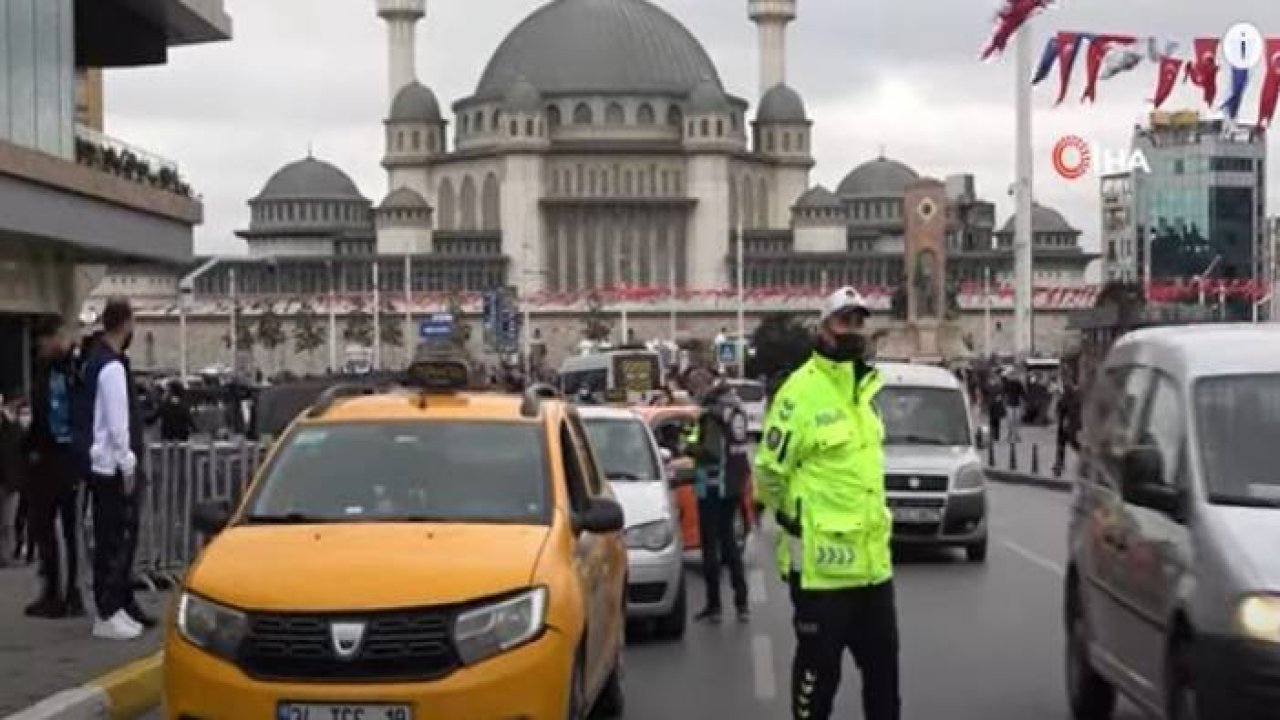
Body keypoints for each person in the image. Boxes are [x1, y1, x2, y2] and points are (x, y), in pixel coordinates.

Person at [754, 286, 900, 720]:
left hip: (874, 572)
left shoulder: (867, 394)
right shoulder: (799, 394)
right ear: (824, 329)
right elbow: (769, 473)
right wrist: (793, 521)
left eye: (859, 322)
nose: (853, 330)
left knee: (885, 686)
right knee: (819, 684)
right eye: (843, 322)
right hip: (822, 575)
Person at [77, 298, 150, 640]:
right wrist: (128, 463)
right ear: (127, 323)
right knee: (115, 538)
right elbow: (117, 423)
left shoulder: (97, 361)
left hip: (101, 465)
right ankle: (107, 610)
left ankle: (114, 607)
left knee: (110, 538)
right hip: (112, 466)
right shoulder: (112, 367)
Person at [23, 318, 88, 618]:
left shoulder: (58, 372)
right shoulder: (67, 370)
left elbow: (46, 416)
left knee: (54, 526)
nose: (40, 346)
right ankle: (63, 591)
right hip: (62, 456)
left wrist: (34, 447)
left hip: (54, 458)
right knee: (58, 527)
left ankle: (61, 591)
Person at [681, 366, 750, 624]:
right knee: (730, 542)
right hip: (734, 481)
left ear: (703, 384)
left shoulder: (712, 414)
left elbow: (710, 451)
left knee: (711, 545)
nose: (692, 392)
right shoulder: (736, 407)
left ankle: (714, 606)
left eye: (693, 387)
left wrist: (689, 447)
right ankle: (741, 603)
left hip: (713, 484)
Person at [0, 391, 26, 569]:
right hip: (8, 480)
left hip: (9, 481)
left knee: (8, 522)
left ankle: (6, 555)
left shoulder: (11, 428)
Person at [1054, 372, 1082, 478]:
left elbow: (1061, 407)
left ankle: (1059, 465)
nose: (1065, 384)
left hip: (1069, 424)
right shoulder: (1074, 394)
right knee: (1064, 445)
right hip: (1068, 424)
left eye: (1065, 382)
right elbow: (1060, 408)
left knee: (1071, 444)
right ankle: (1059, 465)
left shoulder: (1071, 394)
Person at [1003, 369, 1025, 443]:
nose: (1012, 376)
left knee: (1014, 420)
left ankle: (1015, 435)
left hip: (1014, 404)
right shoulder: (1008, 383)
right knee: (1012, 420)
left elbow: (1022, 393)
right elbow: (1004, 393)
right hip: (1012, 404)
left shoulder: (1017, 383)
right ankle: (1012, 435)